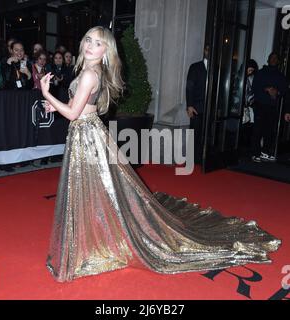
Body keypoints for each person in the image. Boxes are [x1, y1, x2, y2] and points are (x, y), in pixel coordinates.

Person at [41, 26, 281, 283]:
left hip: (86, 136)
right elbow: (81, 107)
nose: (90, 46)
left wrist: (47, 94)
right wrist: (58, 106)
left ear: (106, 50)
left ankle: (97, 244)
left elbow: (73, 113)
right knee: (98, 191)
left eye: (98, 43)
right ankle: (95, 242)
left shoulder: (89, 73)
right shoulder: (92, 71)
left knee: (92, 191)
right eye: (88, 39)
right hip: (89, 132)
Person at [251, 52, 288, 162]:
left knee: (269, 131)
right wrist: (266, 89)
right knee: (257, 130)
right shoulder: (261, 73)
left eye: (276, 58)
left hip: (272, 107)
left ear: (278, 61)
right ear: (268, 60)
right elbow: (254, 88)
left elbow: (285, 91)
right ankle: (255, 153)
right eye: (272, 58)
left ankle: (265, 152)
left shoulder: (281, 76)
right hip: (260, 105)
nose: (273, 60)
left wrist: (277, 92)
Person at [186, 45, 209, 164]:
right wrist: (189, 105)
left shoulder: (217, 68)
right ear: (205, 50)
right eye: (208, 50)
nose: (209, 52)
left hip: (210, 108)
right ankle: (190, 159)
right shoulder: (195, 67)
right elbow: (189, 87)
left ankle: (201, 159)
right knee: (194, 134)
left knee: (206, 135)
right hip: (196, 107)